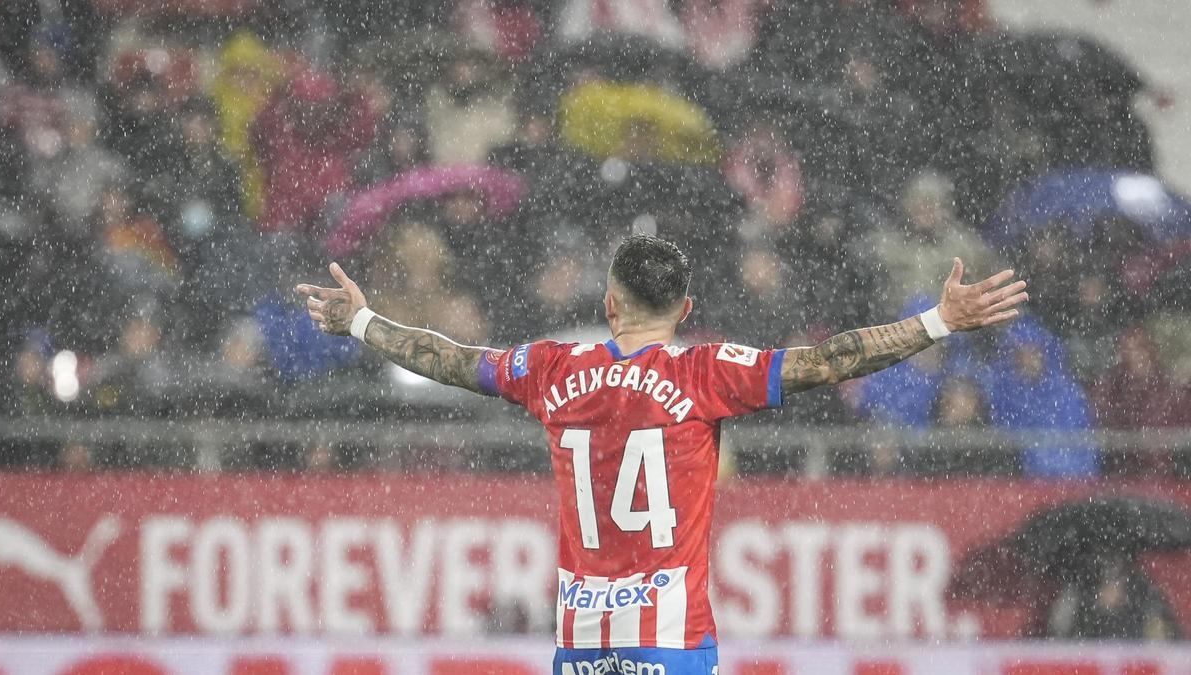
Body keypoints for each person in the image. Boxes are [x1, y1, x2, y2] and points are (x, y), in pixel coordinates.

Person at [296, 235, 1027, 674]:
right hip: (671, 644)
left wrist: (358, 320)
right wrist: (937, 320)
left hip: (581, 643)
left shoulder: (552, 367)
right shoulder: (705, 372)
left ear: (610, 304)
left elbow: (450, 358)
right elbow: (829, 360)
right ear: (683, 310)